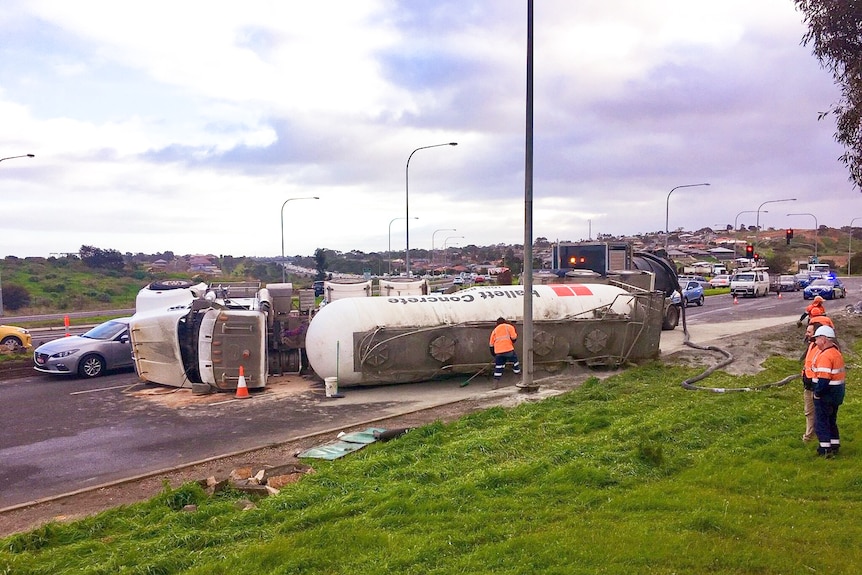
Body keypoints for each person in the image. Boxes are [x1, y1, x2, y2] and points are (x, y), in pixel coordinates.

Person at [811, 325, 846, 457]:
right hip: (837, 393)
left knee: (821, 421)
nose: (815, 342)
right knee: (832, 420)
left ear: (824, 339)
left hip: (826, 395)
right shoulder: (836, 353)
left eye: (817, 339)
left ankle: (825, 449)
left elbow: (824, 379)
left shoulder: (825, 356)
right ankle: (834, 444)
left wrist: (817, 393)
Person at [800, 323, 818, 442]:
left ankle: (809, 438)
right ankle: (811, 435)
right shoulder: (812, 344)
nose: (807, 334)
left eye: (809, 332)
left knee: (813, 412)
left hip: (816, 385)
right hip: (808, 384)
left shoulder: (821, 348)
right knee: (809, 412)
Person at [489, 317, 521, 383]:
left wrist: (494, 355)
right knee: (515, 362)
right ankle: (518, 377)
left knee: (498, 367)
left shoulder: (495, 330)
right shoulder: (509, 327)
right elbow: (514, 337)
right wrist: (511, 341)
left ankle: (495, 382)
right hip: (509, 350)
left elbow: (491, 344)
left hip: (498, 352)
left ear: (497, 323)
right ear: (504, 321)